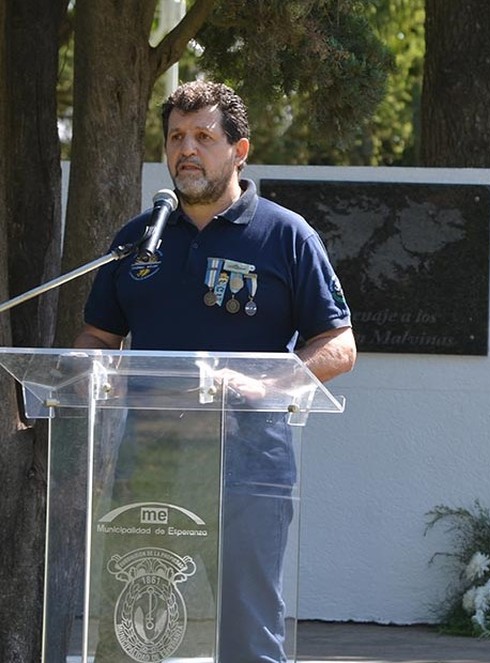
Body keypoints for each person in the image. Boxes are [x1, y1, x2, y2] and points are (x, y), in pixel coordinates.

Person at [75, 80, 356, 662]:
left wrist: (264, 384)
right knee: (132, 631)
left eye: (204, 136)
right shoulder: (138, 239)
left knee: (247, 633)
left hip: (246, 462)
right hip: (147, 465)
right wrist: (91, 382)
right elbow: (97, 339)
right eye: (177, 136)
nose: (187, 149)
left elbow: (339, 344)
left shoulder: (284, 235)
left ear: (239, 150)